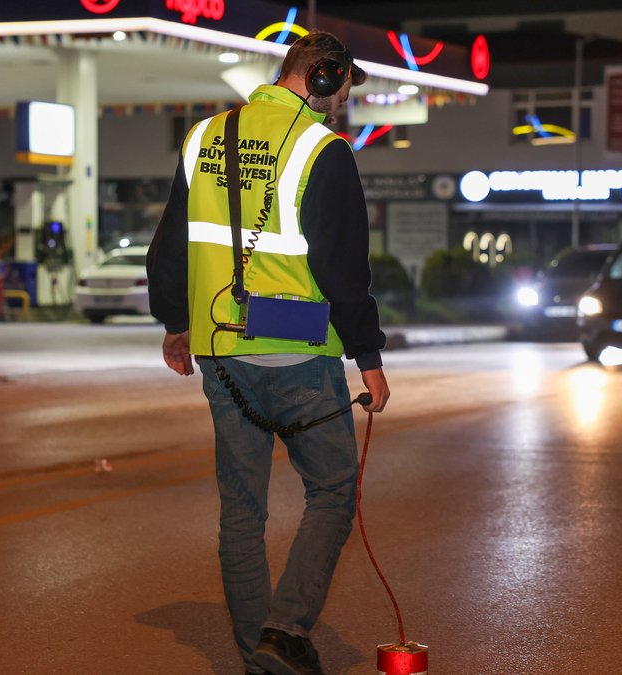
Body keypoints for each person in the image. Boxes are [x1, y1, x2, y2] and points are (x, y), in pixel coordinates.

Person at [147, 31, 390, 675]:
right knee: (332, 492)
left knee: (242, 508)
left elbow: (170, 243)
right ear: (322, 76)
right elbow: (343, 269)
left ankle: (255, 651)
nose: (343, 102)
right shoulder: (322, 149)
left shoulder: (204, 137)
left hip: (220, 353)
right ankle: (283, 634)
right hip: (299, 352)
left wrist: (175, 323)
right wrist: (368, 357)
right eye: (343, 87)